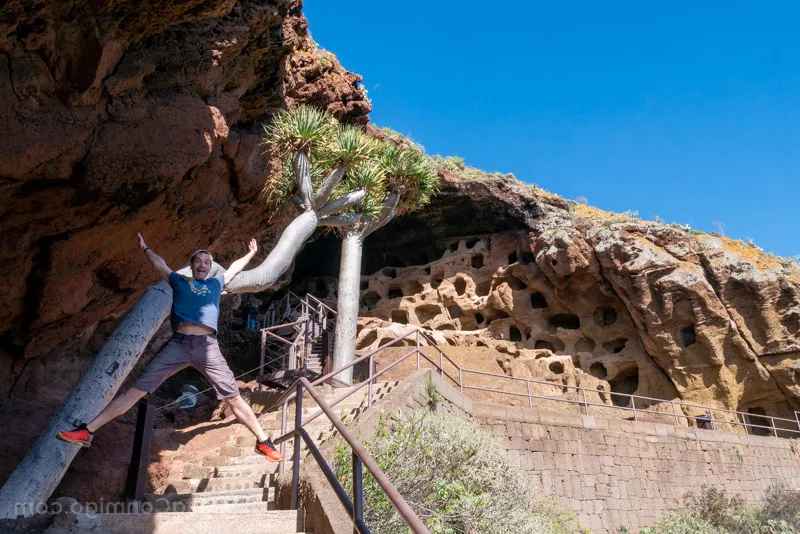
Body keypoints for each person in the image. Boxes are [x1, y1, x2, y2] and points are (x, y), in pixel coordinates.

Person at [55, 233, 283, 461]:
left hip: (208, 347)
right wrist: (145, 249)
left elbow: (233, 268)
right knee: (135, 390)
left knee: (233, 396)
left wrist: (251, 254)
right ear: (192, 266)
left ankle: (263, 442)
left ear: (210, 267)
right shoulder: (179, 282)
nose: (202, 264)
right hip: (179, 345)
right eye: (198, 261)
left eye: (207, 262)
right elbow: (160, 264)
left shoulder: (217, 283)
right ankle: (87, 431)